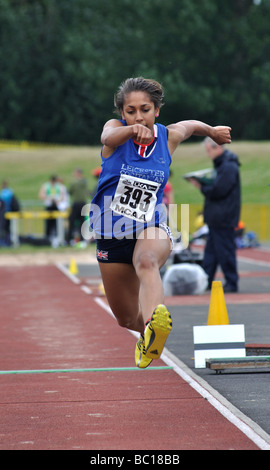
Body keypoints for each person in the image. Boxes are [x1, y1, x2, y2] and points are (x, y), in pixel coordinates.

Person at [89, 77, 232, 368]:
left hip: (149, 226)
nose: (138, 115)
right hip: (111, 233)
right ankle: (147, 335)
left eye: (145, 109)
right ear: (122, 113)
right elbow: (107, 138)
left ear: (157, 111)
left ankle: (156, 322)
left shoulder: (168, 137)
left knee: (146, 261)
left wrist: (212, 132)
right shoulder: (116, 131)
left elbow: (189, 126)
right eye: (131, 110)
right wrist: (131, 130)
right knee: (126, 318)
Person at [189, 137, 241, 293]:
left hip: (223, 216)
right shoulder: (224, 165)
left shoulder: (228, 166)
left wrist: (201, 186)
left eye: (208, 150)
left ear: (217, 147)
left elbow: (220, 191)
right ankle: (206, 280)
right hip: (217, 216)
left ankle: (232, 283)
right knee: (211, 252)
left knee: (225, 250)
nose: (208, 154)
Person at [67, 168, 89, 244]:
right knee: (82, 222)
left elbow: (70, 192)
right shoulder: (84, 182)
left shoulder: (75, 183)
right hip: (83, 203)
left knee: (72, 221)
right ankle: (82, 239)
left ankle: (69, 239)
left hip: (76, 203)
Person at [39, 175, 65, 239]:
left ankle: (57, 236)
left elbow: (62, 196)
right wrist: (49, 198)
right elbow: (41, 195)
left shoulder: (58, 186)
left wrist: (57, 200)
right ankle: (47, 237)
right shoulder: (46, 186)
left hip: (56, 206)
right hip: (48, 206)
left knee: (57, 223)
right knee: (48, 223)